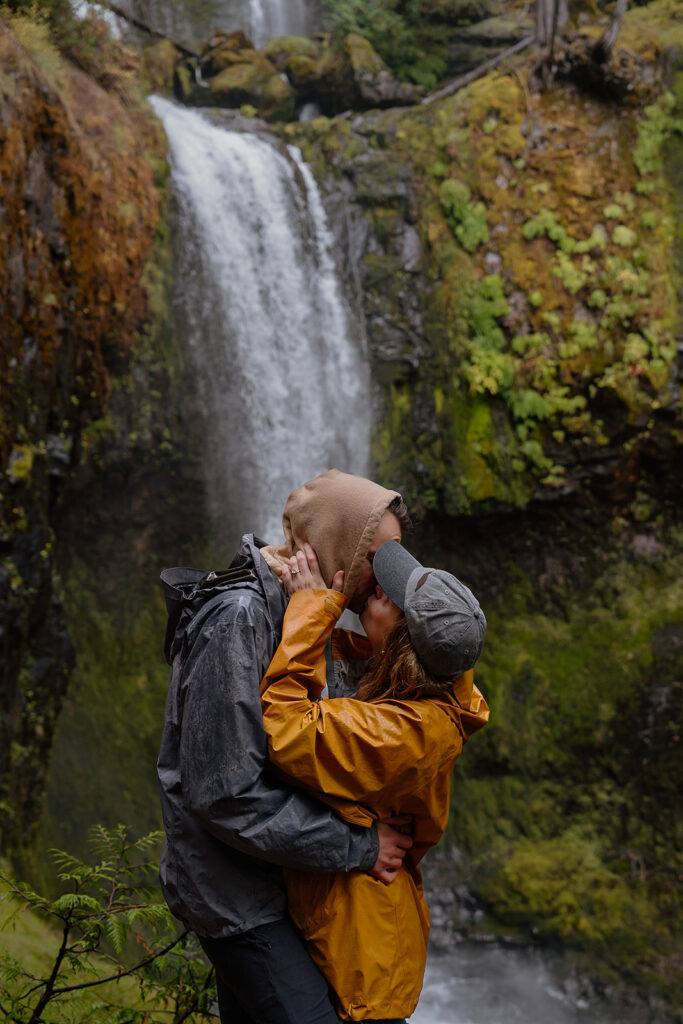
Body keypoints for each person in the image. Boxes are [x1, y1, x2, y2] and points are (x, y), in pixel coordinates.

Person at [157, 470, 415, 1024]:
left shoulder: (304, 612)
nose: (389, 578)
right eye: (379, 556)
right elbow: (225, 796)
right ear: (334, 543)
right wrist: (360, 847)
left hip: (283, 882)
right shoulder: (240, 619)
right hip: (237, 897)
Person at [260, 539, 490, 1023]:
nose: (379, 588)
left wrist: (311, 607)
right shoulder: (428, 676)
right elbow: (350, 655)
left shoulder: (407, 734)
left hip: (362, 962)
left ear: (405, 642)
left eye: (390, 596)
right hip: (362, 928)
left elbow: (283, 726)